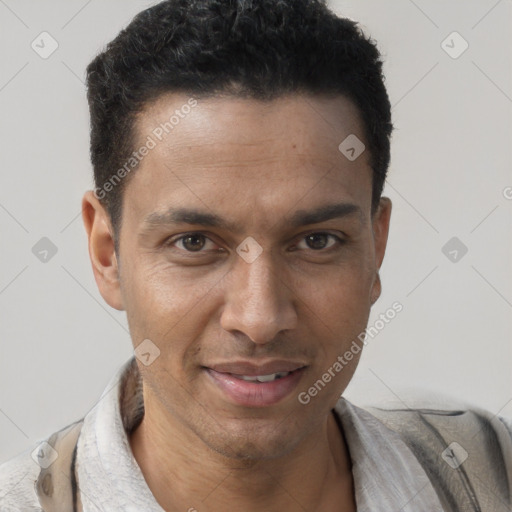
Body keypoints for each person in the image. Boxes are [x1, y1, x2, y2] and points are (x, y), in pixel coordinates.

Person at [1, 0, 510, 510]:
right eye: (194, 243)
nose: (261, 319)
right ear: (107, 253)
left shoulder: (491, 474)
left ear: (376, 247)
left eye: (316, 241)